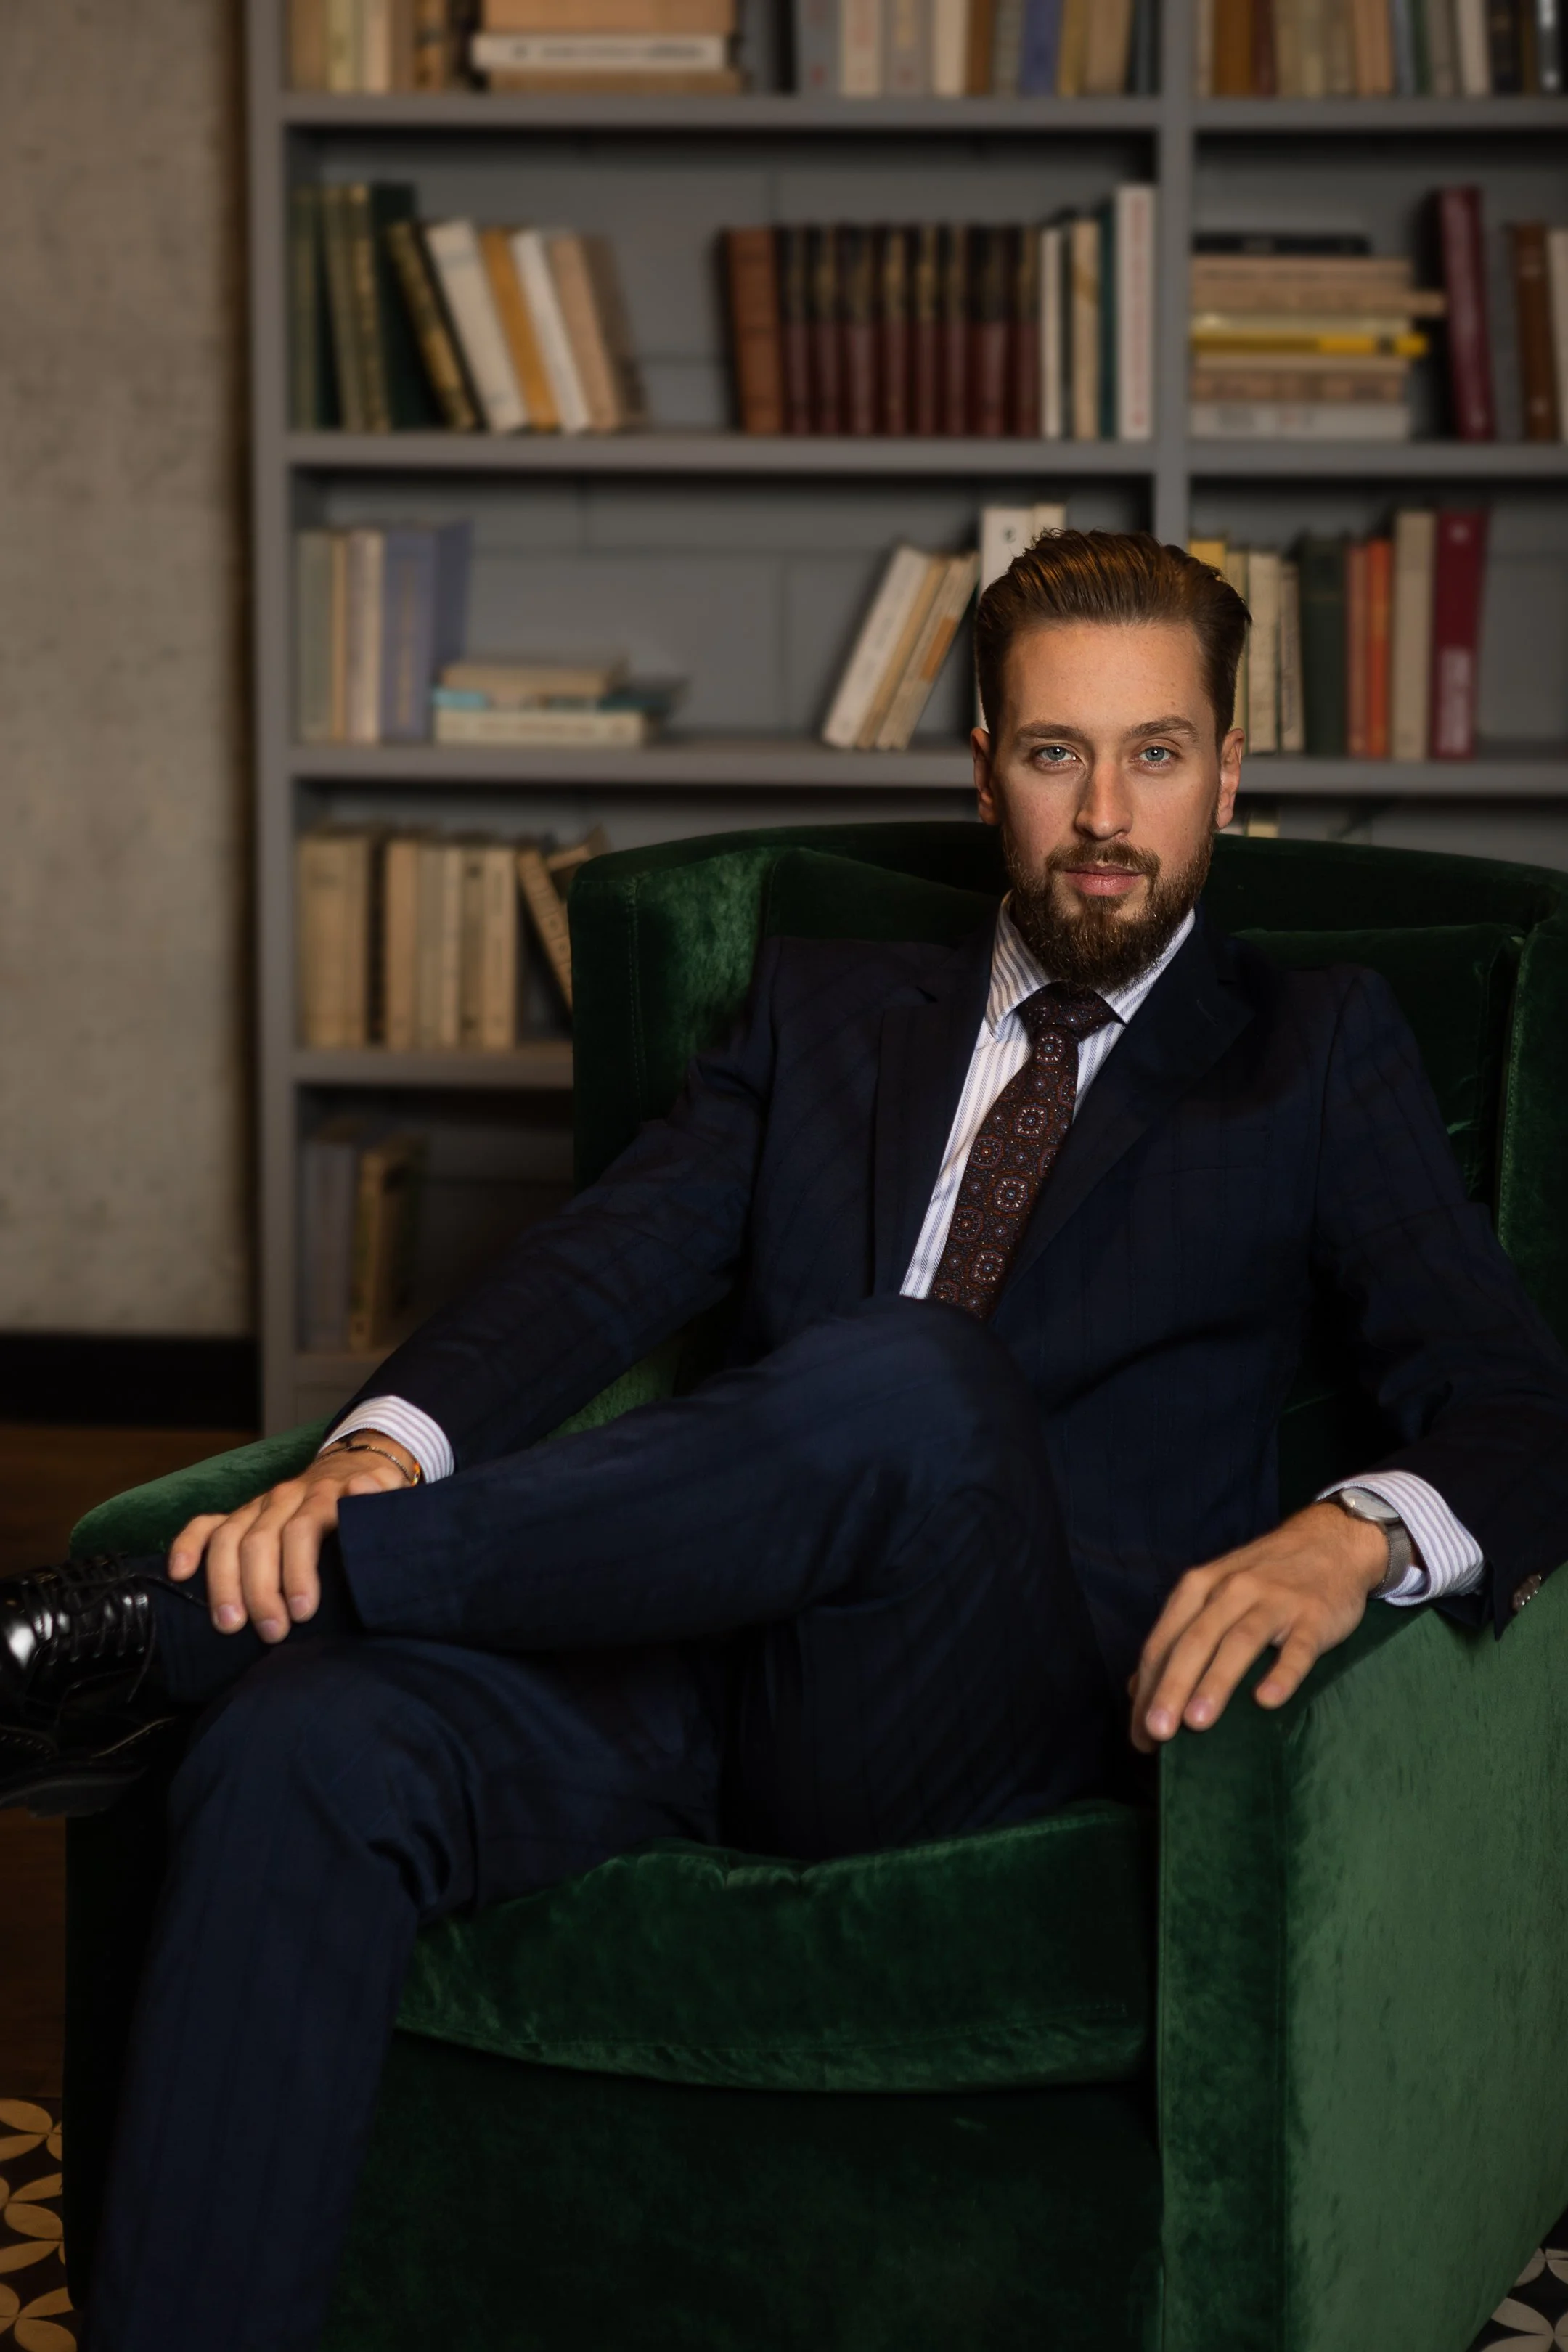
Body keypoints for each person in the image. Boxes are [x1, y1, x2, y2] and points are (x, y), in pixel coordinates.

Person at [4, 530, 1567, 2352]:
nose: (1107, 813)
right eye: (1058, 754)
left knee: (914, 1378)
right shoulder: (829, 1008)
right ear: (986, 768)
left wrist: (1356, 1534)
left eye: (1157, 752)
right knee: (303, 1748)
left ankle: (154, 1632)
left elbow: (1516, 1403)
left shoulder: (1312, 1051)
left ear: (1233, 772)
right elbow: (602, 1267)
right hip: (682, 1659)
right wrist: (382, 1449)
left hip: (1015, 1701)